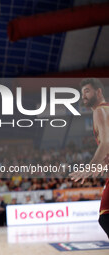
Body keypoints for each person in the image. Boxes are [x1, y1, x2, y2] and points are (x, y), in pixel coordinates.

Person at [70, 78, 109, 238]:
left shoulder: (99, 110)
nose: (83, 96)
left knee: (106, 218)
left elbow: (106, 141)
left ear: (98, 92)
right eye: (82, 93)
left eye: (87, 91)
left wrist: (89, 168)